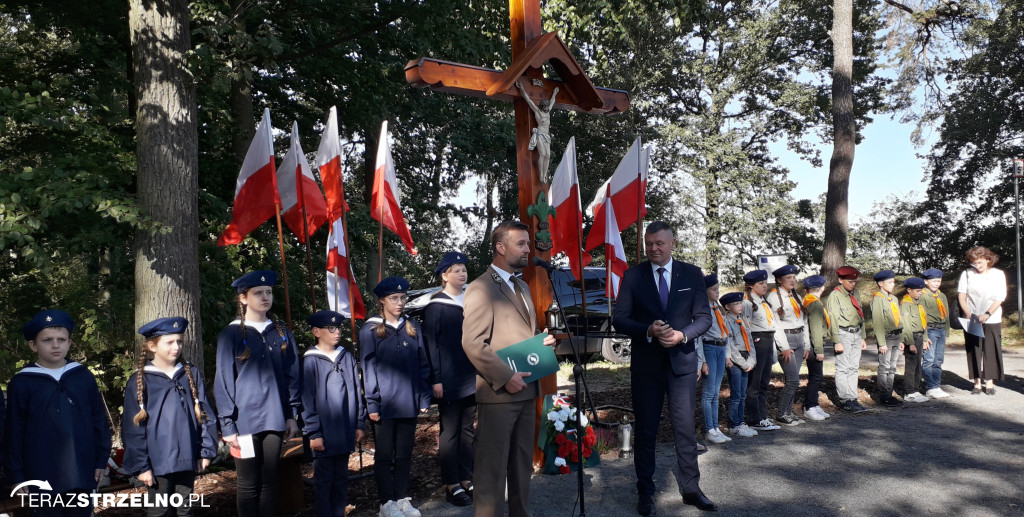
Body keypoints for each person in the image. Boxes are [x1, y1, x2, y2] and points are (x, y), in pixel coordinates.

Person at [612, 221, 715, 514]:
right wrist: (648, 329)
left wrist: (683, 335)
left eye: (659, 243)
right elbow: (620, 318)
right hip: (647, 367)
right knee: (646, 430)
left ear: (672, 244)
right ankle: (645, 491)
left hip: (681, 365)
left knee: (685, 430)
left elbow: (704, 318)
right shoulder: (633, 276)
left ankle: (692, 489)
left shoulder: (692, 274)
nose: (653, 249)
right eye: (649, 244)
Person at [461, 221, 557, 517]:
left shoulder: (523, 285)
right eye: (521, 244)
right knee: (491, 469)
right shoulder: (480, 288)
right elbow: (473, 343)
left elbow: (521, 332)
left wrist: (543, 341)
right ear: (500, 248)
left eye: (528, 243)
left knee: (521, 464)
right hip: (499, 394)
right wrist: (505, 377)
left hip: (528, 391)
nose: (529, 249)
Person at [3, 309, 112, 516]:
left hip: (81, 470)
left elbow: (98, 420)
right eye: (47, 340)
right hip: (40, 474)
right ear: (33, 345)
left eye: (62, 339)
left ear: (69, 343)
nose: (55, 345)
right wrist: (16, 474)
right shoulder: (23, 382)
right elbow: (14, 433)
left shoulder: (82, 376)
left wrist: (101, 460)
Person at [214, 270, 301, 517]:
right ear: (243, 299)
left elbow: (291, 377)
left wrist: (291, 414)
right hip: (243, 423)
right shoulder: (230, 334)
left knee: (270, 480)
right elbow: (223, 380)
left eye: (269, 292)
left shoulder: (281, 331)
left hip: (274, 419)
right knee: (248, 484)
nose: (265, 297)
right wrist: (227, 425)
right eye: (258, 293)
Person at [122, 317, 217, 517]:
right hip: (158, 463)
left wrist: (205, 451)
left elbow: (206, 414)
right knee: (160, 511)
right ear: (152, 346)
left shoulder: (190, 374)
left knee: (185, 510)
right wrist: (142, 465)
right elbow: (133, 430)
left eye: (180, 341)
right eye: (170, 342)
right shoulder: (141, 380)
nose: (176, 346)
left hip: (187, 458)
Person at [360, 276, 431, 517]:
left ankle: (401, 498)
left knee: (404, 453)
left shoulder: (412, 326)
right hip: (384, 404)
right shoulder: (371, 330)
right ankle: (386, 502)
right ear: (382, 301)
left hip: (409, 401)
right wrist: (372, 402)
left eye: (403, 298)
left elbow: (423, 363)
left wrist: (423, 397)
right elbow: (368, 369)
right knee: (384, 455)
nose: (400, 302)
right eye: (394, 298)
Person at [423, 252, 476, 507]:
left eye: (464, 269)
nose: (462, 273)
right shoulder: (436, 306)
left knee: (468, 430)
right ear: (444, 276)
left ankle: (467, 477)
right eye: (456, 270)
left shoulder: (471, 300)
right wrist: (436, 379)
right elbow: (431, 345)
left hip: (472, 375)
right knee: (450, 433)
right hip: (449, 379)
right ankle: (451, 483)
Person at [302, 310, 366, 517]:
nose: (337, 332)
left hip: (345, 429)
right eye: (331, 328)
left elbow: (356, 391)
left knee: (341, 478)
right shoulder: (311, 361)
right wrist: (313, 432)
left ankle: (338, 512)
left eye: (338, 328)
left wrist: (359, 423)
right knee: (324, 480)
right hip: (324, 433)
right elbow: (307, 399)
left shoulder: (345, 356)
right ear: (316, 332)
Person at [957, 246, 1007, 395]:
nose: (977, 266)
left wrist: (988, 313)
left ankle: (990, 382)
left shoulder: (998, 274)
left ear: (987, 259)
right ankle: (977, 383)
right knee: (974, 349)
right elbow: (962, 295)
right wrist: (967, 312)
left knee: (991, 349)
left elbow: (1000, 297)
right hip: (972, 317)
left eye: (980, 262)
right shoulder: (967, 274)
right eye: (974, 263)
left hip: (992, 317)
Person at [742, 269, 787, 432]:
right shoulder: (747, 303)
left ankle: (762, 416)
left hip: (767, 340)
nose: (764, 286)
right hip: (757, 341)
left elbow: (772, 324)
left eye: (765, 283)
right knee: (754, 382)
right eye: (760, 284)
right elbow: (745, 328)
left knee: (764, 381)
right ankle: (754, 418)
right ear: (751, 286)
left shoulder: (763, 302)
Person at [767, 265, 809, 425]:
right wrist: (783, 347)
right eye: (788, 278)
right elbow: (775, 325)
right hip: (786, 340)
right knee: (793, 380)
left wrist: (807, 345)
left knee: (794, 378)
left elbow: (803, 322)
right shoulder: (773, 298)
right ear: (779, 280)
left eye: (794, 277)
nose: (793, 280)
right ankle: (782, 413)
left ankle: (789, 412)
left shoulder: (796, 296)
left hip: (798, 339)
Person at [826, 266, 869, 413]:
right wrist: (836, 341)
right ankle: (845, 400)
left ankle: (853, 398)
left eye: (854, 281)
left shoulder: (855, 293)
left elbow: (860, 315)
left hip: (856, 333)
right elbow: (833, 319)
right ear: (840, 280)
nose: (853, 284)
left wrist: (863, 336)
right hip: (843, 334)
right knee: (843, 368)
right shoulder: (835, 296)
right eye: (850, 281)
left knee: (853, 367)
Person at [699, 274, 731, 444]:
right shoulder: (702, 309)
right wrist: (702, 360)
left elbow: (725, 332)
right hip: (709, 348)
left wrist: (727, 354)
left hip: (720, 347)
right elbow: (699, 337)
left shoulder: (718, 309)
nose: (717, 292)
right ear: (705, 291)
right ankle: (709, 429)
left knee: (716, 393)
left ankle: (716, 427)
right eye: (713, 289)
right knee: (709, 392)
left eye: (718, 288)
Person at [721, 292, 758, 438]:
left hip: (746, 359)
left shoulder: (742, 321)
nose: (739, 306)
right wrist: (743, 364)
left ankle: (740, 422)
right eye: (736, 304)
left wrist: (751, 361)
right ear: (727, 307)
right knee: (736, 394)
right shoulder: (727, 321)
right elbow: (730, 344)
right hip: (736, 362)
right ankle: (733, 424)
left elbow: (750, 342)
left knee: (742, 394)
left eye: (740, 303)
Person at [870, 270, 904, 407]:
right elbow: (877, 322)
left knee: (893, 367)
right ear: (880, 283)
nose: (893, 284)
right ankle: (884, 396)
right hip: (887, 338)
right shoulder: (878, 299)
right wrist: (882, 343)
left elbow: (899, 319)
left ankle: (889, 394)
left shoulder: (893, 299)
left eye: (893, 282)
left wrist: (901, 339)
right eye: (889, 282)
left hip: (896, 336)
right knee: (884, 367)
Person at [800, 275, 832, 421]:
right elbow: (816, 329)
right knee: (816, 377)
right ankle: (810, 406)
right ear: (823, 288)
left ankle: (814, 404)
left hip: (811, 343)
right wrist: (819, 350)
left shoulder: (806, 300)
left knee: (815, 376)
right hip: (814, 345)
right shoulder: (816, 304)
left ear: (807, 289)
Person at [919, 268, 951, 399]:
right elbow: (921, 317)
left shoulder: (941, 296)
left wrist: (947, 332)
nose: (937, 283)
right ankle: (930, 387)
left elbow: (946, 315)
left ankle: (937, 386)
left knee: (938, 360)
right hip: (930, 330)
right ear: (926, 281)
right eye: (934, 281)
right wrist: (924, 337)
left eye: (939, 281)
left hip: (941, 330)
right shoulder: (922, 296)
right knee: (929, 359)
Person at [899, 278, 930, 403]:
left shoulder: (917, 303)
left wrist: (926, 338)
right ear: (909, 290)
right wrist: (910, 343)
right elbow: (906, 325)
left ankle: (916, 390)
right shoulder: (906, 304)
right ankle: (909, 392)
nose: (920, 293)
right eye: (917, 291)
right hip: (911, 338)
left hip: (919, 336)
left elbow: (923, 322)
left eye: (921, 290)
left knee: (918, 365)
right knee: (911, 365)